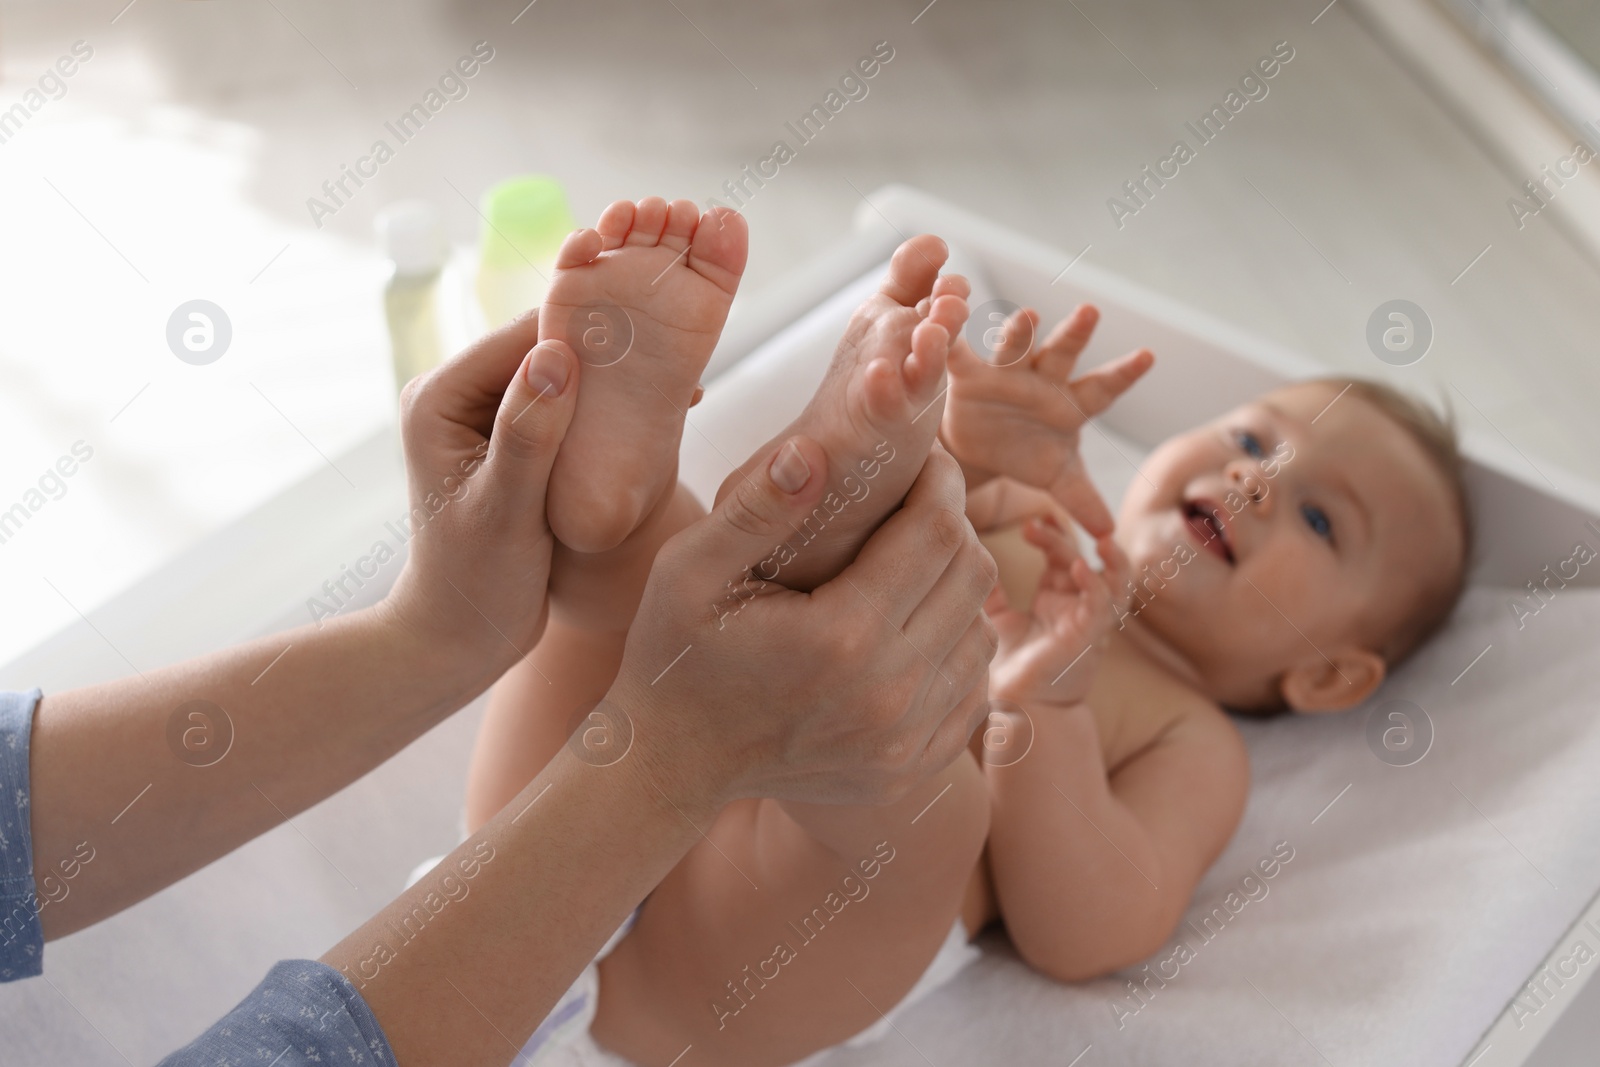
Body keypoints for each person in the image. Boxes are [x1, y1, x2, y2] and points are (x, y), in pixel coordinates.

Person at [465, 201, 1470, 1067]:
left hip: (720, 967)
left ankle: (793, 541)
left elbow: (1092, 928)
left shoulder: (1188, 738)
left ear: (1330, 672)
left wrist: (1043, 710)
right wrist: (961, 455)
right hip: (544, 839)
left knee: (926, 786)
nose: (1255, 479)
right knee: (677, 571)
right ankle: (623, 509)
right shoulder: (1031, 516)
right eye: (1252, 438)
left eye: (1320, 518)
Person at [0, 288, 1000, 1067]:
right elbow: (1099, 921)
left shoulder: (1146, 701)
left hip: (472, 921)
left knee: (634, 636)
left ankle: (623, 518)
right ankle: (784, 552)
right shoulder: (1110, 668)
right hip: (588, 1020)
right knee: (915, 811)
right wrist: (1070, 701)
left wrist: (430, 632)